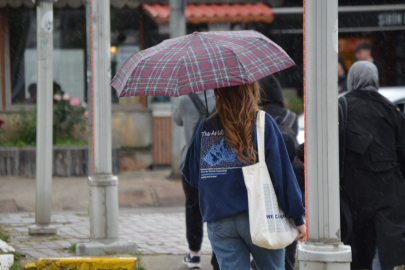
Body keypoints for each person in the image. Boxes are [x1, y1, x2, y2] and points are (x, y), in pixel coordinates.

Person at [182, 81, 306, 270]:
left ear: (219, 93)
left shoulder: (206, 127)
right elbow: (282, 176)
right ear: (252, 91)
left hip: (219, 219)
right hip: (260, 215)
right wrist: (297, 217)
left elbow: (191, 175)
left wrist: (220, 178)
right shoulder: (263, 123)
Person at [339, 61, 405, 270]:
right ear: (375, 80)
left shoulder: (342, 107)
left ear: (352, 80)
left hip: (353, 194)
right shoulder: (391, 110)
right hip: (389, 192)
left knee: (358, 252)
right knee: (387, 251)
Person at [258, 75, 304, 270]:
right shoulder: (290, 117)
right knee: (288, 223)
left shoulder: (257, 116)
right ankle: (287, 261)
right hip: (292, 171)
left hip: (264, 171)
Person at [173, 90, 218, 269]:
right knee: (217, 209)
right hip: (216, 162)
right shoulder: (219, 96)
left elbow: (177, 119)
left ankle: (194, 255)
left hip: (191, 163)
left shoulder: (185, 99)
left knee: (193, 209)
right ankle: (218, 255)